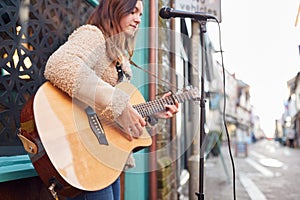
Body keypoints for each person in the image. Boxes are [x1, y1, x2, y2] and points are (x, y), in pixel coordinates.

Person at [43, 0, 179, 199]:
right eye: (133, 11)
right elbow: (60, 65)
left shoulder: (117, 55)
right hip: (85, 155)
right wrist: (119, 105)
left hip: (108, 159)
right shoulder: (93, 35)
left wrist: (151, 112)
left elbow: (108, 113)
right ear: (115, 9)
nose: (138, 19)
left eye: (141, 14)